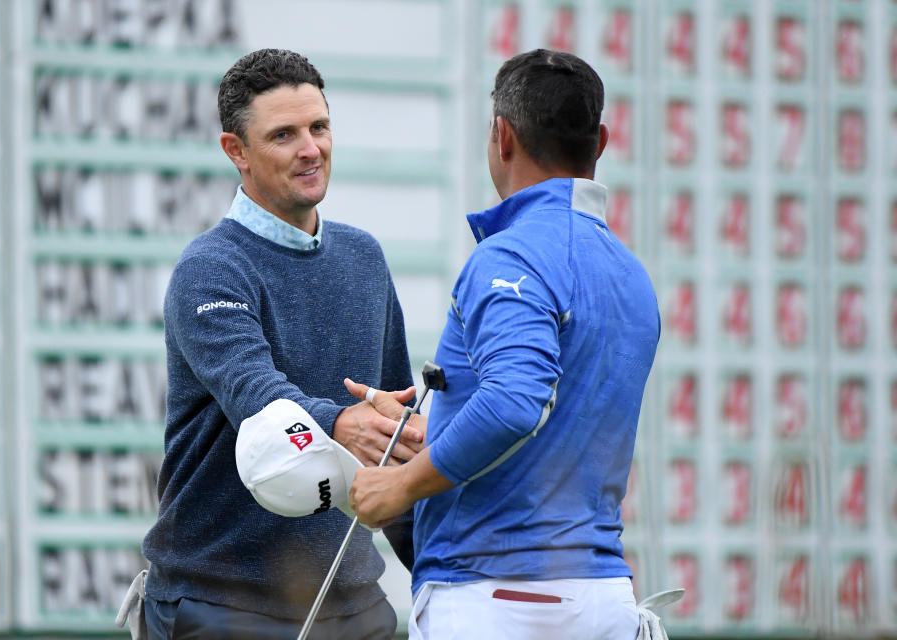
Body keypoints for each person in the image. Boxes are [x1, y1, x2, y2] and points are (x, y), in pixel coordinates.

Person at [347, 49, 661, 639]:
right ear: (601, 140)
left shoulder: (509, 254)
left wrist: (400, 485)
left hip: (499, 598)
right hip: (605, 596)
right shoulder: (631, 273)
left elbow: (518, 400)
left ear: (502, 134)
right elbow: (553, 419)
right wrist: (435, 432)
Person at [137, 48, 423, 639]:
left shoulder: (365, 257)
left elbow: (393, 435)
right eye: (284, 134)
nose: (310, 148)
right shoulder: (210, 268)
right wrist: (340, 421)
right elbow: (256, 396)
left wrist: (443, 571)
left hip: (355, 605)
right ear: (235, 151)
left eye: (319, 127)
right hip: (221, 604)